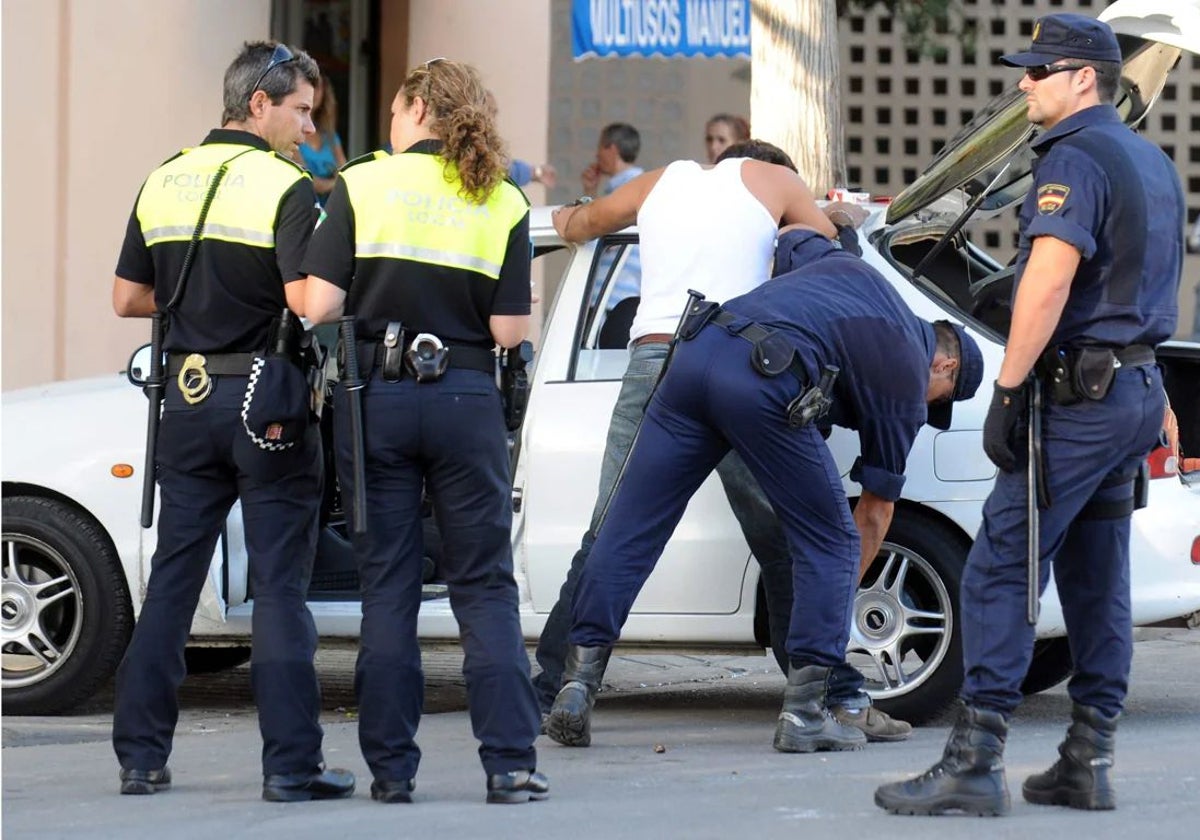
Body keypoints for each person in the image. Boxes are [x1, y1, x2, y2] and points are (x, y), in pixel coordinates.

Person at [875, 14, 1183, 817]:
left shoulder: (1075, 157)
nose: (1023, 83)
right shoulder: (1152, 161)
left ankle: (973, 763)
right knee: (1095, 573)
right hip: (1130, 392)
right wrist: (1151, 393)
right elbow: (1147, 290)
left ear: (1085, 78)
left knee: (1003, 562)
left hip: (1076, 403)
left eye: (1039, 70)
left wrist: (1008, 391)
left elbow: (1048, 280)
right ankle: (1088, 757)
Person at [546, 224, 983, 752]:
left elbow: (796, 238)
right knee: (834, 541)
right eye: (940, 397)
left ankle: (575, 687)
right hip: (761, 379)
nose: (927, 407)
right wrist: (835, 597)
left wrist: (837, 222)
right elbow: (873, 516)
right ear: (946, 364)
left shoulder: (852, 271)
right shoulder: (908, 376)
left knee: (630, 527)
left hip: (695, 350)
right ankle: (804, 716)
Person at [110, 41, 354, 802]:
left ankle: (140, 759)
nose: (308, 130)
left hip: (181, 398)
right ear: (259, 104)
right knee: (281, 586)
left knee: (174, 580)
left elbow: (126, 298)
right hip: (265, 399)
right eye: (301, 111)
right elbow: (303, 297)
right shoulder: (284, 187)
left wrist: (195, 306)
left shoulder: (164, 177)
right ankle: (291, 766)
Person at [302, 57, 547, 806]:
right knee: (482, 585)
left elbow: (317, 307)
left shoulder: (363, 183)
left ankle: (392, 772)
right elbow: (510, 329)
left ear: (413, 108)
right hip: (467, 400)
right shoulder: (500, 198)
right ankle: (509, 763)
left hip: (375, 398)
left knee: (389, 588)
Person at [582, 123, 645, 325]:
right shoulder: (638, 186)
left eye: (600, 147)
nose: (596, 155)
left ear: (612, 149)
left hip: (610, 297)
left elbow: (591, 238)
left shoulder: (624, 191)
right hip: (624, 296)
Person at [295, 74, 347, 206]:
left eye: (319, 88)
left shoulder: (330, 136)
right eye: (311, 86)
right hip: (303, 210)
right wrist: (336, 184)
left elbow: (346, 174)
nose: (315, 93)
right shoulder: (292, 133)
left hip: (330, 212)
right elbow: (306, 181)